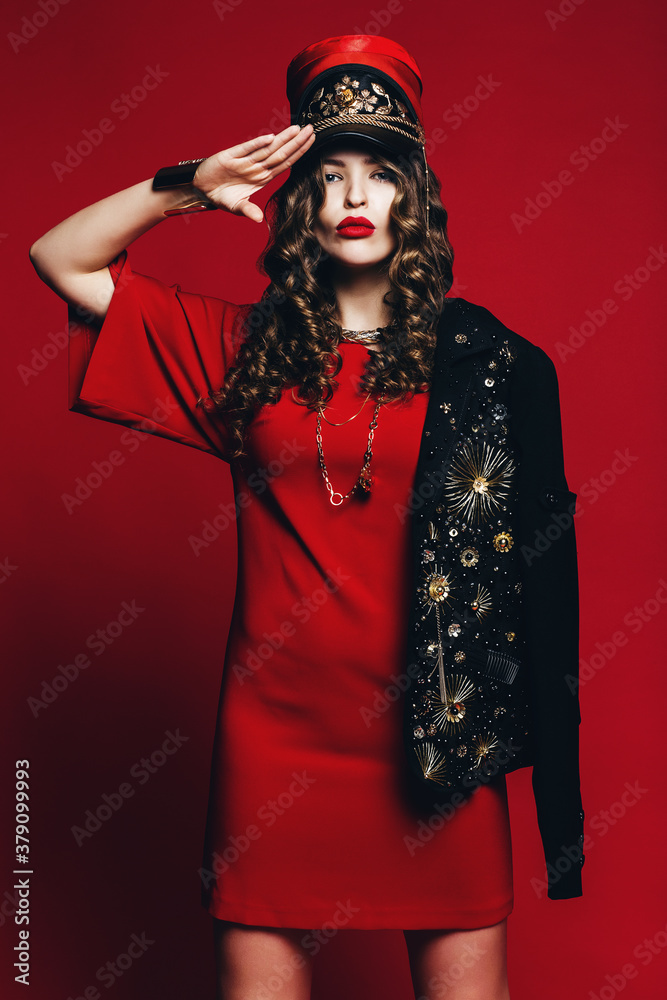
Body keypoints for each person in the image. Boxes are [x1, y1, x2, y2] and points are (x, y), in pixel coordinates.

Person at [29, 34, 584, 1000]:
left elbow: (545, 586)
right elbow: (59, 258)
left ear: (416, 197)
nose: (354, 200)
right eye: (326, 177)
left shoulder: (488, 365)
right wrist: (187, 185)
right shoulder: (241, 350)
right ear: (295, 203)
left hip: (438, 744)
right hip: (276, 740)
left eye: (379, 174)